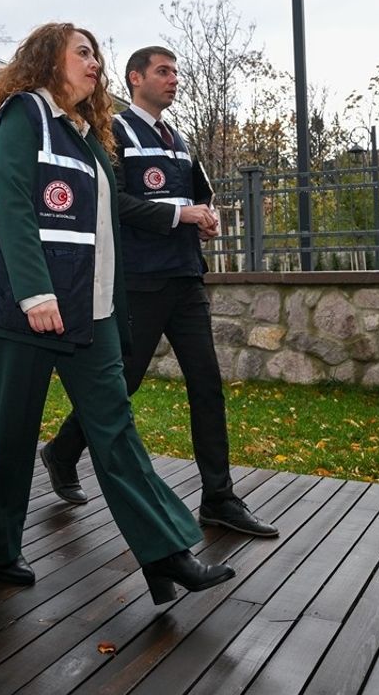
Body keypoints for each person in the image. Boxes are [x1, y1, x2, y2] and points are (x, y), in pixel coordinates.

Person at [0, 23, 234, 605]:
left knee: (116, 432)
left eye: (97, 55)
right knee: (10, 434)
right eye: (83, 52)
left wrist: (112, 307)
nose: (95, 63)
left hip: (92, 311)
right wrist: (36, 294)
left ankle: (166, 554)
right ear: (46, 60)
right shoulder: (22, 114)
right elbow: (11, 204)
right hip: (25, 310)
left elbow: (102, 233)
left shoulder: (87, 135)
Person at [41, 46, 278, 538]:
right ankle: (62, 453)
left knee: (207, 385)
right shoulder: (115, 133)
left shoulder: (181, 140)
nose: (173, 80)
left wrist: (205, 216)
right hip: (140, 282)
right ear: (135, 79)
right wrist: (178, 215)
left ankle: (218, 497)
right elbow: (115, 202)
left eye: (175, 72)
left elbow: (198, 194)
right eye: (163, 72)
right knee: (122, 384)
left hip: (186, 278)